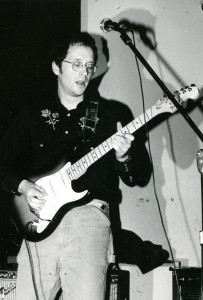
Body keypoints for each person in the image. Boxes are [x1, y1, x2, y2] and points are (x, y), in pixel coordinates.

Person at [0, 32, 151, 300]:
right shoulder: (32, 115)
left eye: (90, 66)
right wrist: (23, 186)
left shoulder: (111, 115)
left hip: (89, 218)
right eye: (77, 64)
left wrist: (123, 156)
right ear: (56, 66)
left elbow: (137, 176)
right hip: (40, 220)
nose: (84, 72)